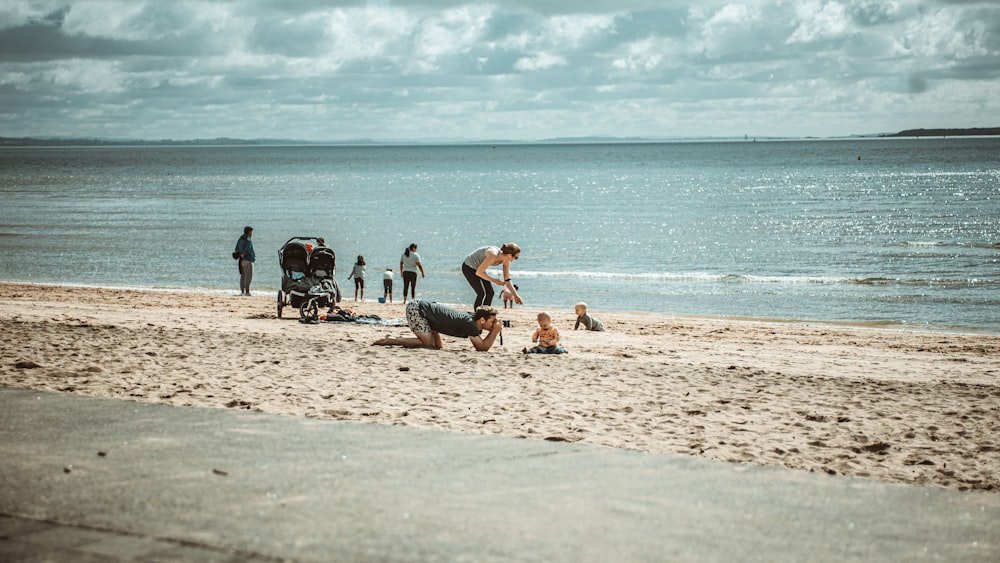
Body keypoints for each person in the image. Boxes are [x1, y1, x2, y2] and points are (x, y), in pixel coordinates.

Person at [373, 299, 503, 351]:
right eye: (492, 321)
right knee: (427, 344)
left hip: (424, 309)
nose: (493, 325)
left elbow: (440, 325)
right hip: (418, 309)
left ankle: (391, 337)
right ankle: (390, 340)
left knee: (437, 347)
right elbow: (481, 348)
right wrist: (495, 332)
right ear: (481, 320)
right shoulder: (470, 324)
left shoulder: (472, 321)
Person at [462, 243, 523, 309]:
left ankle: (485, 314)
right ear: (509, 255)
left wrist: (516, 295)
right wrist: (495, 281)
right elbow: (479, 273)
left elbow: (507, 280)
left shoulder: (506, 261)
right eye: (516, 257)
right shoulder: (493, 254)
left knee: (490, 292)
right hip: (468, 267)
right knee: (481, 293)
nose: (516, 259)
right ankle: (478, 316)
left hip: (479, 268)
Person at [234, 226, 255, 296]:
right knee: (248, 276)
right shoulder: (248, 240)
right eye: (251, 232)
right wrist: (244, 254)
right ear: (249, 232)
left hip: (241, 260)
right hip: (248, 259)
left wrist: (240, 255)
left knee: (243, 276)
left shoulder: (240, 239)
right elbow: (248, 249)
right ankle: (247, 291)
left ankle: (242, 291)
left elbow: (236, 249)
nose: (252, 233)